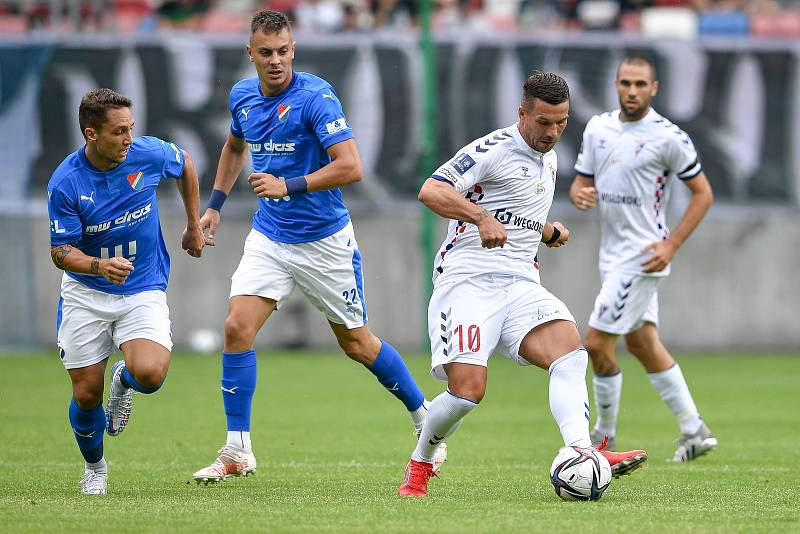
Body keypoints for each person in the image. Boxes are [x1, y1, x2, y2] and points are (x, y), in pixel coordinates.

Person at [191, 10, 445, 483]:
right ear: (250, 53)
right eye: (265, 52)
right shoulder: (242, 95)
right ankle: (237, 448)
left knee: (357, 344)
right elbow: (233, 147)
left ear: (293, 50)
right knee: (235, 328)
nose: (275, 61)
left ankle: (424, 416)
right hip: (270, 236)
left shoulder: (315, 96)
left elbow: (351, 166)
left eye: (283, 51)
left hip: (324, 241)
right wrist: (214, 206)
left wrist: (289, 185)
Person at [396, 72, 648, 498]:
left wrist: (546, 231)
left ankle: (583, 452)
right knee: (466, 393)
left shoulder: (548, 157)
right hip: (467, 281)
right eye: (544, 122)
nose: (553, 133)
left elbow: (513, 211)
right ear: (522, 113)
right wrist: (479, 218)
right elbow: (430, 190)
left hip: (519, 283)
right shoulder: (491, 150)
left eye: (562, 122)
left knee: (569, 351)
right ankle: (420, 464)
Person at [47, 88, 205, 495]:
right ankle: (95, 468)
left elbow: (185, 163)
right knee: (85, 394)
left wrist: (193, 224)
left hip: (142, 287)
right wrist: (99, 265)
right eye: (118, 132)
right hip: (86, 293)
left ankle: (126, 380)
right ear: (91, 134)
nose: (128, 139)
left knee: (150, 375)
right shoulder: (66, 183)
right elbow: (61, 252)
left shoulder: (146, 155)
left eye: (131, 129)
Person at [569, 56, 717, 462]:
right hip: (610, 256)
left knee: (596, 342)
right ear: (615, 85)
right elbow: (582, 182)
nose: (631, 91)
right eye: (625, 83)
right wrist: (578, 194)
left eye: (640, 84)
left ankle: (603, 436)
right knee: (643, 343)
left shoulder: (669, 137)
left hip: (643, 256)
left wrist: (670, 245)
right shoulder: (598, 128)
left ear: (654, 89)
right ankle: (694, 430)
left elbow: (703, 194)